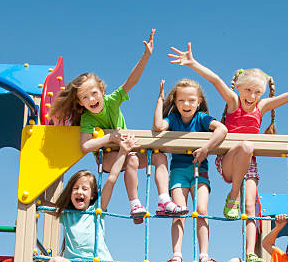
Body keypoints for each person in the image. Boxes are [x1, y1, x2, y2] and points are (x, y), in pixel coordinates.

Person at [168, 42, 288, 262]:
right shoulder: (234, 103)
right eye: (248, 91)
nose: (252, 96)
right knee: (245, 146)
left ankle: (250, 252)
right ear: (239, 88)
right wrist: (193, 63)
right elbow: (216, 81)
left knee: (251, 206)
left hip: (249, 163)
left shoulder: (261, 107)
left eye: (257, 92)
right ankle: (233, 195)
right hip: (228, 162)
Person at [50, 30, 186, 223]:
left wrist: (145, 56)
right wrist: (109, 138)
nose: (91, 99)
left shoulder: (112, 101)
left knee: (159, 156)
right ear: (80, 102)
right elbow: (85, 146)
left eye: (94, 93)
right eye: (84, 97)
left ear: (102, 90)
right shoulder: (88, 118)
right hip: (107, 159)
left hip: (127, 152)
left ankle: (163, 199)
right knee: (131, 159)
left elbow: (131, 82)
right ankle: (135, 204)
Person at [48, 169, 157, 262]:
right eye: (75, 188)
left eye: (84, 188)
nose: (79, 192)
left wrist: (123, 152)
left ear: (92, 195)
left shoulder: (97, 210)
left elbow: (111, 179)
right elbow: (38, 201)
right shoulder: (65, 213)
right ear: (70, 193)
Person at [153, 79, 227, 262]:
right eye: (181, 101)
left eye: (191, 100)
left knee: (202, 209)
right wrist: (161, 99)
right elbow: (159, 126)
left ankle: (204, 254)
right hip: (178, 171)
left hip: (199, 169)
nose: (186, 105)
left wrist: (206, 148)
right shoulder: (174, 119)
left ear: (199, 101)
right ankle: (176, 254)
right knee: (180, 212)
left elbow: (222, 129)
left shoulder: (202, 118)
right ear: (175, 102)